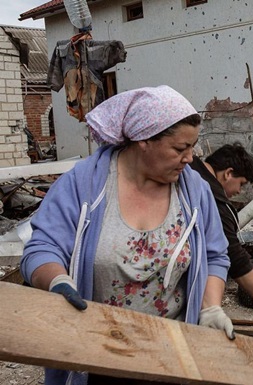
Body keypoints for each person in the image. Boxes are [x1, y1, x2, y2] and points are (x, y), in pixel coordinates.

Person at [21, 86, 233, 385]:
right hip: (97, 354)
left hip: (171, 353)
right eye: (179, 148)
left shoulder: (194, 191)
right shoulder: (85, 185)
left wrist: (210, 307)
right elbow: (42, 248)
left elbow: (214, 254)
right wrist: (57, 281)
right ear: (144, 140)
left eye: (193, 147)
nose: (190, 158)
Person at [190, 143, 253, 326]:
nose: (238, 191)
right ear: (228, 173)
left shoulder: (189, 171)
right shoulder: (215, 202)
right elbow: (233, 255)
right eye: (241, 184)